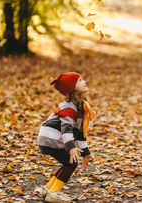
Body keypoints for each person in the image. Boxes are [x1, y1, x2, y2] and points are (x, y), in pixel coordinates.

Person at [38, 72, 96, 202]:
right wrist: (71, 148)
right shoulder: (69, 107)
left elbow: (80, 133)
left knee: (68, 163)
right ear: (73, 88)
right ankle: (53, 192)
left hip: (51, 138)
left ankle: (48, 189)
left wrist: (85, 153)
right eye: (80, 80)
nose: (85, 81)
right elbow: (66, 128)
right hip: (51, 138)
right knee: (71, 163)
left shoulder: (79, 106)